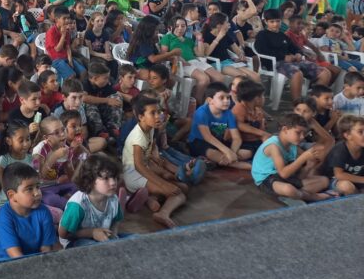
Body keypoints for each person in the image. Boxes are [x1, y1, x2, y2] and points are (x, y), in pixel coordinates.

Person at [122, 94, 187, 229]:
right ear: (141, 117)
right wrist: (164, 184)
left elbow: (149, 157)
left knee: (183, 187)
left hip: (143, 170)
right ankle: (163, 213)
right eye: (153, 113)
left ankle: (150, 198)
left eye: (159, 111)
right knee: (179, 194)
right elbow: (139, 165)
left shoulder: (149, 129)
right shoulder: (138, 137)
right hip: (133, 173)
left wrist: (163, 172)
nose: (158, 116)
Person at [251, 114, 330, 201]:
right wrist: (303, 157)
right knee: (288, 189)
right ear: (285, 130)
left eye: (304, 133)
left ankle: (296, 195)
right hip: (267, 179)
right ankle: (311, 196)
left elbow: (298, 177)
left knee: (324, 181)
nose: (302, 137)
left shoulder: (292, 145)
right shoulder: (273, 146)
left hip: (286, 179)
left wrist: (309, 165)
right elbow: (283, 173)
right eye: (298, 132)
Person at [0, 162, 58, 260]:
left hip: (36, 261)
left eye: (37, 187)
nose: (37, 193)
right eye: (29, 189)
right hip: (8, 265)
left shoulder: (44, 212)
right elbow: (15, 255)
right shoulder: (3, 217)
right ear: (12, 195)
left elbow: (46, 249)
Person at [58, 153, 122, 248]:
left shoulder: (113, 198)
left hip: (102, 238)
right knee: (98, 251)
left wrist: (113, 236)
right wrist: (92, 232)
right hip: (75, 242)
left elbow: (117, 221)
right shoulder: (78, 205)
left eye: (114, 177)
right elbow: (64, 234)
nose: (113, 183)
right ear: (90, 180)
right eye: (106, 178)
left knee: (135, 240)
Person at [189, 83, 253, 169]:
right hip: (199, 143)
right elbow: (207, 137)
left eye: (228, 98)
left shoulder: (229, 114)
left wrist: (232, 152)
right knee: (212, 153)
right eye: (221, 98)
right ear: (210, 100)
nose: (226, 101)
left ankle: (220, 161)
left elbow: (236, 138)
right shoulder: (202, 112)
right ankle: (252, 168)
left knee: (247, 152)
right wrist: (227, 151)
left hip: (219, 142)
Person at [323, 115, 364, 195]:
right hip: (335, 180)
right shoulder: (340, 150)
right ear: (348, 135)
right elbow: (339, 175)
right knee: (346, 186)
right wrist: (362, 179)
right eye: (360, 132)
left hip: (357, 179)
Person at [45, 6, 86, 82]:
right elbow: (57, 49)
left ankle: (80, 89)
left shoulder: (66, 31)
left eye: (68, 18)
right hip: (55, 60)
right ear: (57, 19)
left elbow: (68, 47)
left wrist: (70, 61)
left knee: (83, 72)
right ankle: (71, 90)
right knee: (72, 76)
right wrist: (63, 35)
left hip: (66, 57)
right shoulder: (51, 32)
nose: (67, 20)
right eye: (64, 18)